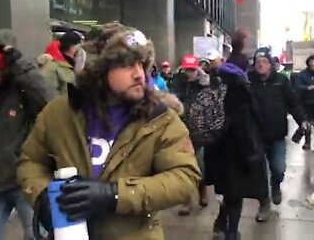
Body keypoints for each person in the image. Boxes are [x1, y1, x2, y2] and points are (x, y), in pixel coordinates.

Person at [17, 25, 201, 240]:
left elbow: (184, 178)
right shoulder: (59, 113)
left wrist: (115, 194)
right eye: (125, 64)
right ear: (97, 69)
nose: (139, 74)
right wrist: (43, 196)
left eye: (141, 64)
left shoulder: (159, 119)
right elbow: (31, 161)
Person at [0, 28, 51, 240]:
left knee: (35, 234)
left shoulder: (23, 87)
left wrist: (21, 65)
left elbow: (50, 101)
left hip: (25, 180)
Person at [210, 30, 268, 240]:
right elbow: (244, 125)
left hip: (217, 149)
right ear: (243, 68)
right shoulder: (239, 89)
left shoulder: (217, 82)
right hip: (236, 151)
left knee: (228, 192)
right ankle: (231, 233)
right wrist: (252, 154)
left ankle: (221, 227)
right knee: (235, 195)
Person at [248, 47, 305, 222]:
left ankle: (276, 186)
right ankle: (264, 204)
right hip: (257, 136)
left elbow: (293, 103)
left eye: (264, 62)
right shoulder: (249, 81)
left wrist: (302, 120)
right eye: (257, 62)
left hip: (277, 135)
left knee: (278, 169)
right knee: (261, 174)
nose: (260, 65)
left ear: (271, 65)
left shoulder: (281, 81)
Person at [171, 54, 211, 216]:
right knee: (183, 167)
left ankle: (202, 191)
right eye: (187, 70)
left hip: (198, 132)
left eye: (192, 70)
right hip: (181, 131)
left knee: (199, 167)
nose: (190, 73)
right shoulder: (177, 82)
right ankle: (185, 200)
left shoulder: (203, 85)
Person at [37, 31, 82, 97]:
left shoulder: (71, 65)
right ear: (72, 47)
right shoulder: (53, 66)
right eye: (78, 47)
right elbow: (49, 94)